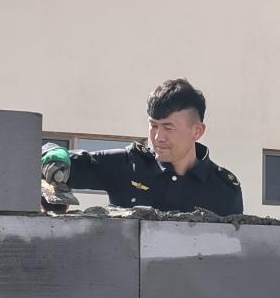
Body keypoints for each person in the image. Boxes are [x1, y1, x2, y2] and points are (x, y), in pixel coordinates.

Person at [41, 78, 243, 216]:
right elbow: (54, 163)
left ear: (197, 131)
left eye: (168, 127)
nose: (158, 137)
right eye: (153, 126)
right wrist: (53, 155)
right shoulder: (127, 165)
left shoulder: (224, 189)